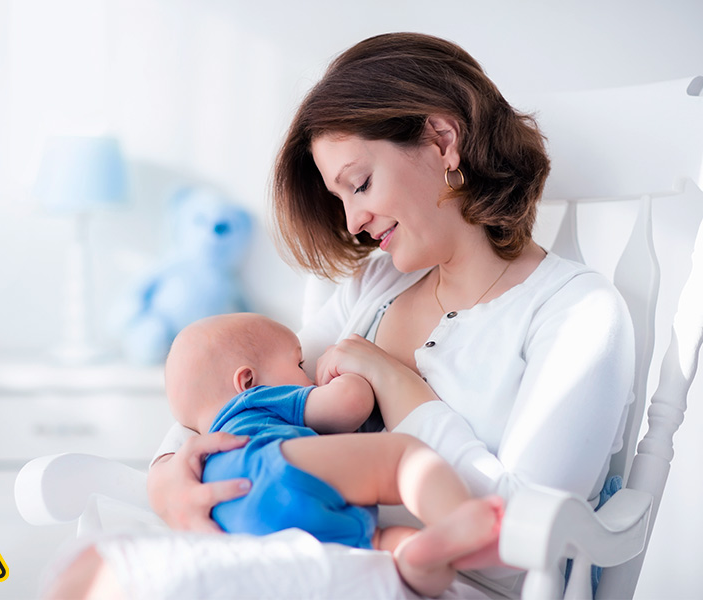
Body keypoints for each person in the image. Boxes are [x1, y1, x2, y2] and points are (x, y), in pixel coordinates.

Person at [48, 32, 635, 598]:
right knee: (92, 572)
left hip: (444, 581)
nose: (353, 221)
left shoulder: (576, 313)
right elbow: (246, 387)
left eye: (359, 183)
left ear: (442, 139)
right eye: (340, 198)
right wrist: (167, 471)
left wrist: (398, 385)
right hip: (304, 557)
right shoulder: (375, 284)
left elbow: (522, 540)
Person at [163, 311, 504, 597]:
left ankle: (414, 555)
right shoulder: (256, 402)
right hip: (272, 466)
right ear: (248, 380)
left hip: (233, 521)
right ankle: (460, 519)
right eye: (299, 363)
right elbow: (350, 405)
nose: (308, 375)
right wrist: (348, 378)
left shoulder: (206, 452)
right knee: (401, 458)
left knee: (378, 544)